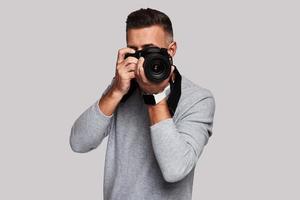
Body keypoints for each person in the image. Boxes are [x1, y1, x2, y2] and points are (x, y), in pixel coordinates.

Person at [69, 8, 216, 200]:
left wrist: (153, 95)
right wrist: (115, 91)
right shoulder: (122, 89)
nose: (141, 61)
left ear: (171, 50)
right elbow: (78, 143)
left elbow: (175, 169)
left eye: (149, 51)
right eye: (135, 52)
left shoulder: (197, 99)